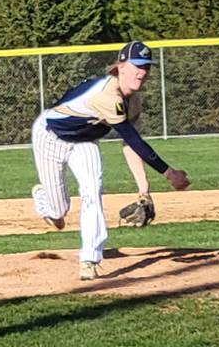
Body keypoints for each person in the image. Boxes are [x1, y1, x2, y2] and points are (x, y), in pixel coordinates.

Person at [30, 41, 190, 280]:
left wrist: (143, 191)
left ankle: (89, 259)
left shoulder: (132, 101)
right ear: (121, 66)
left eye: (146, 66)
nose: (142, 72)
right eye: (137, 65)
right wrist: (169, 174)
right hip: (50, 137)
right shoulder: (108, 94)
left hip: (85, 142)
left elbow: (130, 146)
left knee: (92, 192)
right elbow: (134, 140)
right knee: (58, 213)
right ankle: (44, 199)